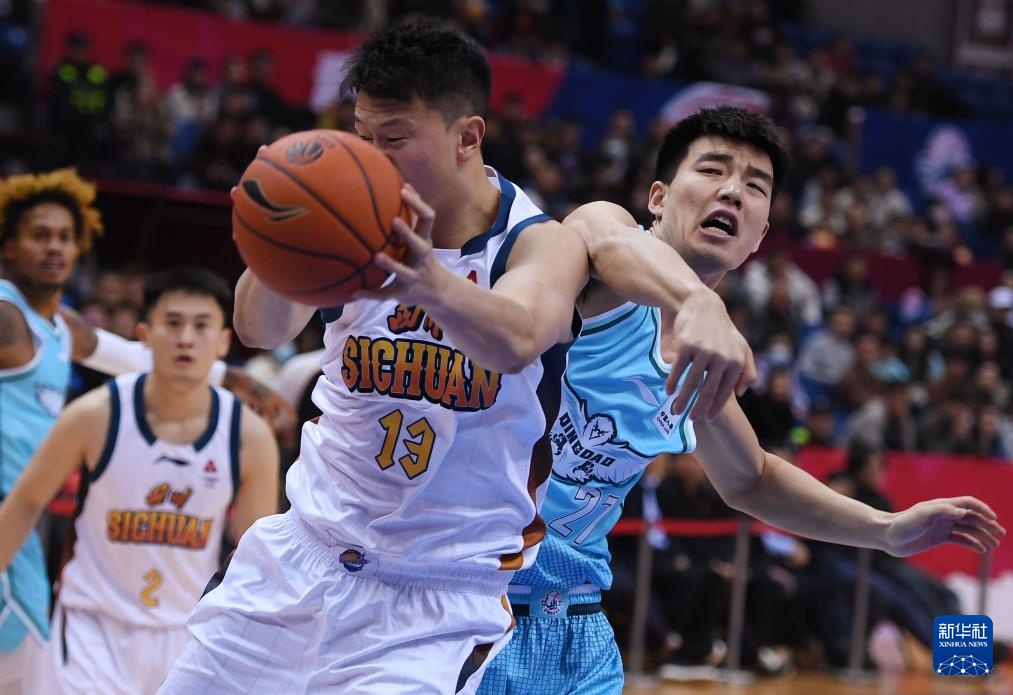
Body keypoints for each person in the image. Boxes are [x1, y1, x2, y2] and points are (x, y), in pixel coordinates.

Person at [160, 21, 757, 695]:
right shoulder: (353, 216)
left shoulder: (536, 243)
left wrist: (426, 281)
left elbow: (517, 337)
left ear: (467, 137)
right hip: (300, 556)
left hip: (434, 602)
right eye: (361, 134)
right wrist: (277, 236)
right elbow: (257, 329)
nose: (371, 157)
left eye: (394, 139)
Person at [478, 106, 1005, 694]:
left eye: (755, 186)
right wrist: (697, 301)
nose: (733, 190)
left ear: (760, 236)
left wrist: (886, 529)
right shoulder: (601, 258)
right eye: (712, 170)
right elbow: (603, 237)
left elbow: (752, 478)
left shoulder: (701, 360)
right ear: (658, 198)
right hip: (476, 605)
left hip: (576, 625)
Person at [0, 168, 287, 694]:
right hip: (26, 527)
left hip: (170, 626)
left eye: (64, 236)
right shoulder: (6, 316)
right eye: (39, 235)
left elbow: (125, 354)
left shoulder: (58, 327)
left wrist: (227, 376)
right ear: (8, 246)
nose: (55, 248)